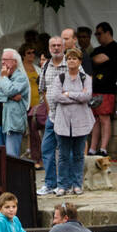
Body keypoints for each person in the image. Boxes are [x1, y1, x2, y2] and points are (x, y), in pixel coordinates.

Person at [47, 47, 94, 195]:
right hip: (63, 123)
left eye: (74, 58)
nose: (71, 61)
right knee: (63, 155)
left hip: (81, 122)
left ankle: (77, 184)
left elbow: (87, 96)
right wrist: (77, 96)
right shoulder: (59, 78)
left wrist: (68, 94)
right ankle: (62, 185)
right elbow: (56, 96)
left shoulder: (86, 78)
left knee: (79, 155)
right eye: (69, 58)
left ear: (80, 61)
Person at [36, 35, 67, 194]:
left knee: (64, 152)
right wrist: (49, 112)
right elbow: (43, 90)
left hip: (67, 116)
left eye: (58, 45)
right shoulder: (45, 65)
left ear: (63, 47)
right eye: (53, 46)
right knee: (47, 149)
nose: (56, 48)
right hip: (52, 116)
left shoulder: (70, 65)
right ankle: (50, 183)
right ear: (49, 48)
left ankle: (63, 184)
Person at [0, 48, 30, 158]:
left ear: (15, 62)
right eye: (2, 59)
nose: (2, 62)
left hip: (13, 124)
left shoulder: (21, 78)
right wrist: (10, 97)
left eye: (6, 59)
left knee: (11, 157)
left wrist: (4, 78)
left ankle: (11, 176)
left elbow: (11, 90)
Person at [88, 22, 117, 156]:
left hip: (107, 89)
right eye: (96, 34)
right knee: (95, 118)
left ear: (108, 32)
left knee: (104, 118)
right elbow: (93, 59)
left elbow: (98, 60)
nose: (97, 36)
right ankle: (92, 148)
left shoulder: (114, 48)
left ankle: (103, 148)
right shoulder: (97, 49)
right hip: (94, 88)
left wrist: (93, 59)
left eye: (99, 33)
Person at [20, 43, 43, 164]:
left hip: (37, 105)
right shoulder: (19, 69)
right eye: (29, 52)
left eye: (33, 52)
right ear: (23, 54)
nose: (32, 55)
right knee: (25, 131)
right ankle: (26, 155)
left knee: (35, 133)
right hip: (25, 104)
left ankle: (36, 157)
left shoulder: (37, 68)